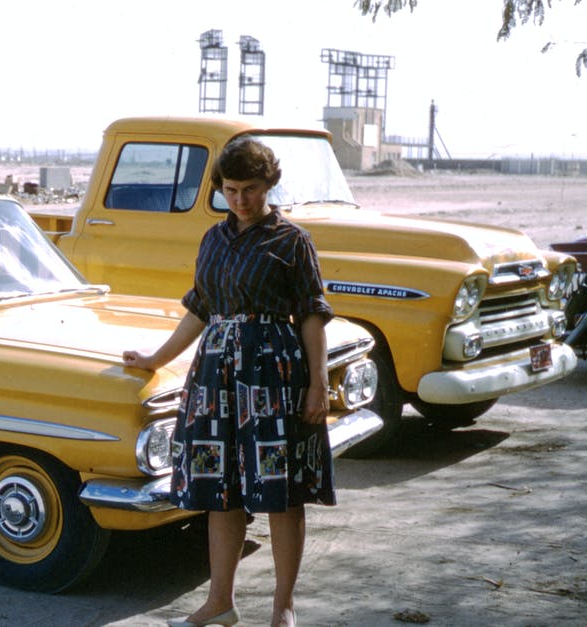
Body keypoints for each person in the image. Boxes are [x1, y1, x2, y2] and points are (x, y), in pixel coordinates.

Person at [122, 137, 334, 627]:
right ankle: (221, 603)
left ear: (269, 186)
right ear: (219, 187)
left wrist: (317, 382)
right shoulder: (213, 240)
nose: (241, 200)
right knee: (219, 490)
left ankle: (283, 609)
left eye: (252, 189)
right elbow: (200, 309)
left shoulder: (292, 241)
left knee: (281, 492)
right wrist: (156, 356)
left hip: (275, 374)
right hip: (215, 376)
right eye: (232, 189)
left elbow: (312, 315)